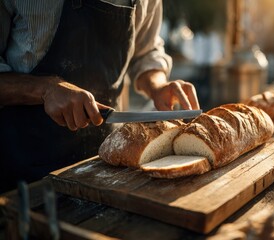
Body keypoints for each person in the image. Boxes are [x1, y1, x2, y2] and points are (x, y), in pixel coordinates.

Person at [0, 0, 200, 193]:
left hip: (105, 164)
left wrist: (157, 86)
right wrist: (45, 89)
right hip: (23, 173)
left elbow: (146, 52)